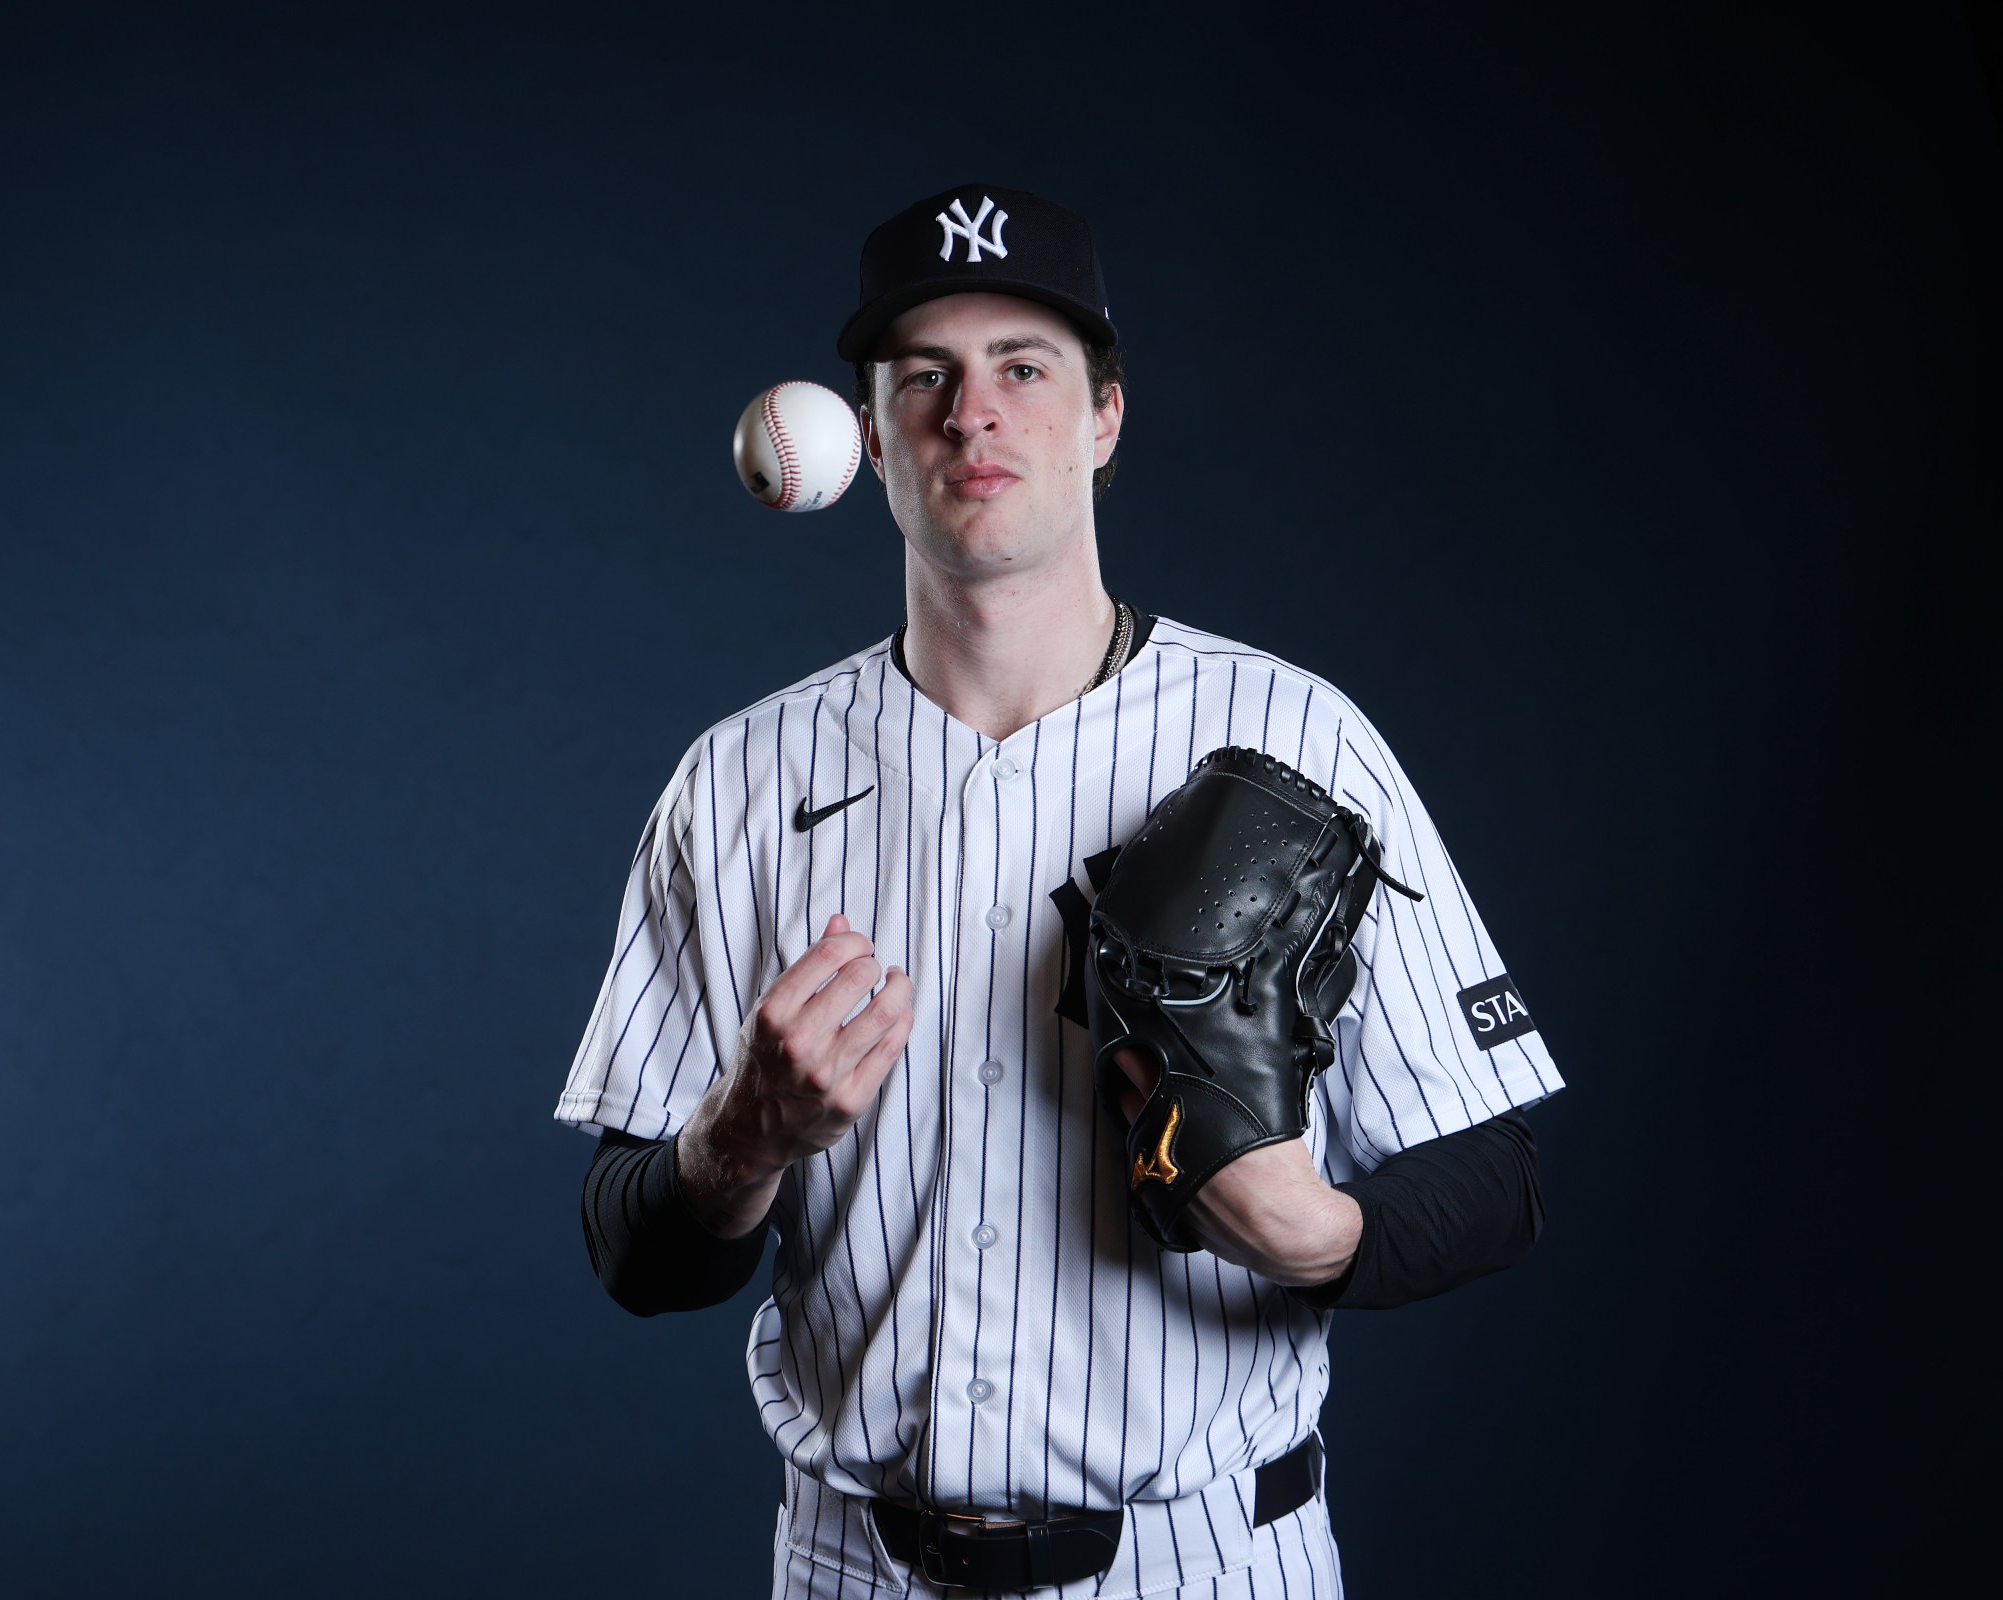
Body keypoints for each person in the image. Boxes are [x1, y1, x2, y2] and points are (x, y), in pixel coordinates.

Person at [555, 185, 1561, 1598]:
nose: (975, 414)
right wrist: (737, 1144)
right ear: (869, 441)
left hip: (1203, 1563)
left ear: (1105, 418)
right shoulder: (734, 783)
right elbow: (629, 1248)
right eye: (926, 378)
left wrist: (1318, 1234)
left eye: (1023, 368)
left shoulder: (1298, 739)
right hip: (854, 1566)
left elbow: (1495, 1176)